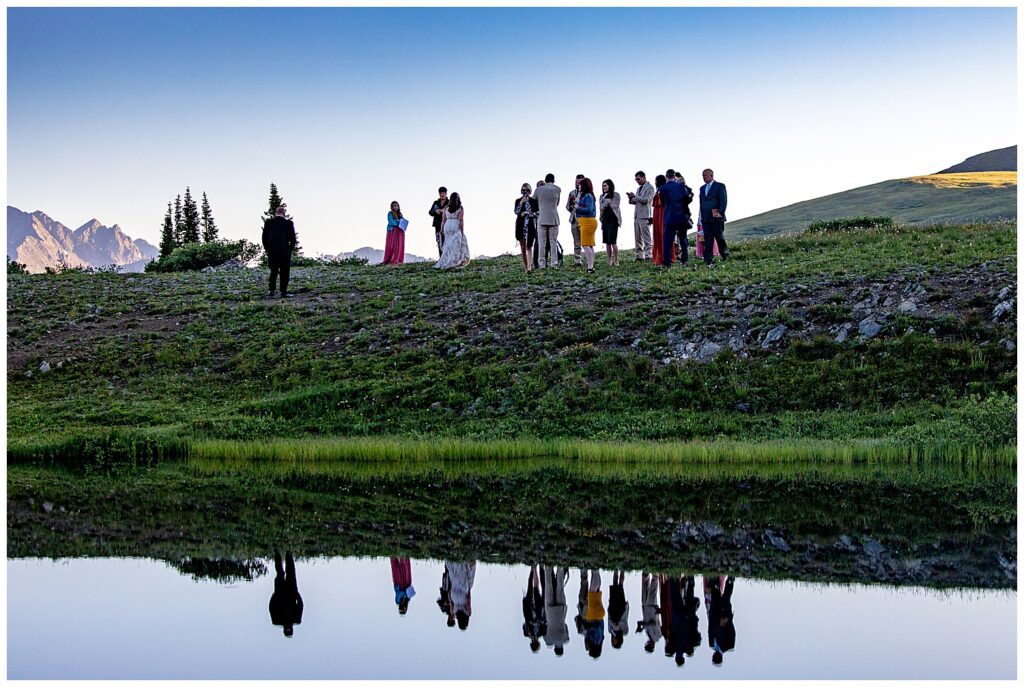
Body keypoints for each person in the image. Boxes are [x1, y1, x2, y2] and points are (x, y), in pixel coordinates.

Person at [658, 169, 694, 268]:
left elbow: (663, 203)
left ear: (666, 177)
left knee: (668, 240)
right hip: (681, 216)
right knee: (683, 238)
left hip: (670, 216)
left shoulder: (663, 188)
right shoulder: (681, 186)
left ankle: (667, 262)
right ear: (674, 177)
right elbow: (687, 199)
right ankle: (684, 260)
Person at [262, 206, 297, 298]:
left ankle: (271, 290)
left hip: (272, 250)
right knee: (284, 271)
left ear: (275, 213)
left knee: (273, 270)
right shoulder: (288, 223)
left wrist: (267, 249)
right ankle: (283, 292)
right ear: (284, 213)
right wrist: (290, 250)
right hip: (284, 251)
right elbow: (293, 239)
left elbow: (264, 238)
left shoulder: (268, 222)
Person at [268, 549, 303, 637]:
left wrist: (274, 595)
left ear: (284, 630)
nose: (288, 628)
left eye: (287, 630)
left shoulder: (276, 621)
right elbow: (300, 605)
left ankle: (277, 552)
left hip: (280, 593)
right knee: (290, 571)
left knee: (280, 573)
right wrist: (296, 593)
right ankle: (288, 552)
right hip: (291, 592)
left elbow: (271, 607)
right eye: (289, 630)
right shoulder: (296, 620)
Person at [703, 575, 736, 665]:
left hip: (714, 613)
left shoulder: (711, 644)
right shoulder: (729, 645)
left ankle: (714, 574)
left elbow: (710, 629)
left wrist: (711, 616)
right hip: (724, 615)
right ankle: (731, 577)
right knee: (726, 595)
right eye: (715, 658)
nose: (714, 656)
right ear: (720, 657)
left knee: (715, 591)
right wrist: (727, 621)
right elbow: (732, 633)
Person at [699, 169, 729, 266]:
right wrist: (702, 216)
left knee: (719, 237)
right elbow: (701, 203)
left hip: (716, 217)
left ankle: (725, 255)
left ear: (711, 175)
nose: (704, 177)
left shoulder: (720, 186)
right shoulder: (702, 188)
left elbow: (723, 200)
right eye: (703, 176)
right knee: (708, 239)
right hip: (706, 218)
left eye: (705, 175)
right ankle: (708, 259)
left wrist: (720, 212)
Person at [434, 192, 470, 269]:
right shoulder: (460, 208)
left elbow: (443, 220)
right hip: (455, 225)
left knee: (448, 244)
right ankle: (454, 261)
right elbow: (461, 220)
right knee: (456, 244)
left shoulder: (446, 208)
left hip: (447, 226)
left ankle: (447, 260)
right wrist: (462, 230)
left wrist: (441, 229)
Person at [532, 173, 561, 269]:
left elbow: (533, 202)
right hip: (553, 218)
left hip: (541, 218)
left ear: (545, 180)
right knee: (553, 242)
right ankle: (554, 263)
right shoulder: (557, 189)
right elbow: (557, 203)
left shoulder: (538, 190)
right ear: (553, 180)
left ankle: (542, 263)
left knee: (542, 243)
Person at [542, 565, 570, 656]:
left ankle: (560, 568)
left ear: (562, 648)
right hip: (550, 614)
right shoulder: (548, 640)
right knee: (548, 587)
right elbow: (544, 631)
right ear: (555, 648)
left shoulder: (565, 639)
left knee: (560, 588)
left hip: (560, 612)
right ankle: (548, 567)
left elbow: (566, 626)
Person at [626, 171, 655, 261]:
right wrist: (630, 198)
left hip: (645, 215)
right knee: (637, 237)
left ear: (643, 177)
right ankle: (639, 255)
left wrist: (635, 196)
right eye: (636, 179)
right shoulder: (638, 189)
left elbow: (646, 200)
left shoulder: (650, 187)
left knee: (646, 236)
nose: (637, 181)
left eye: (638, 179)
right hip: (637, 215)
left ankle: (648, 255)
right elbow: (636, 201)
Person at [575, 177, 598, 273]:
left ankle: (590, 267)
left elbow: (588, 209)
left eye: (580, 185)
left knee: (585, 245)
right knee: (590, 245)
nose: (579, 186)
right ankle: (591, 266)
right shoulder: (587, 195)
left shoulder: (588, 196)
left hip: (587, 222)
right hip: (588, 221)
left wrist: (578, 208)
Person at [522, 565, 547, 652]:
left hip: (534, 611)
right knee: (533, 588)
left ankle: (534, 569)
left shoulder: (539, 633)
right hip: (532, 610)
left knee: (534, 589)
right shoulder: (528, 633)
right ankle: (533, 569)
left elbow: (545, 622)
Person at [514, 183, 539, 273]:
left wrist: (527, 213)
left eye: (527, 190)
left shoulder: (533, 201)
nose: (525, 192)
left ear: (530, 191)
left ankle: (529, 267)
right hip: (521, 225)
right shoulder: (518, 200)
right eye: (523, 190)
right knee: (523, 246)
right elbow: (516, 211)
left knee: (529, 246)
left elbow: (537, 213)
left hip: (530, 225)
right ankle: (525, 266)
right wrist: (521, 202)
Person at [636, 572, 662, 653]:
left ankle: (645, 572)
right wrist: (643, 626)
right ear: (652, 646)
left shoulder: (648, 634)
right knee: (653, 588)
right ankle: (655, 573)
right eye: (648, 645)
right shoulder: (657, 636)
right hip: (652, 609)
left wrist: (640, 625)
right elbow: (654, 624)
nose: (647, 643)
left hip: (645, 608)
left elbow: (645, 622)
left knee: (644, 586)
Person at [582, 569, 605, 659]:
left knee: (596, 593)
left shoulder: (600, 641)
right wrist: (588, 627)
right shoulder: (596, 641)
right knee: (592, 593)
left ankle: (596, 572)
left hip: (599, 615)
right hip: (593, 616)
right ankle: (595, 571)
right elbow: (597, 628)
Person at [447, 560, 476, 630]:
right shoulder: (454, 613)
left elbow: (468, 602)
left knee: (464, 574)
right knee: (454, 575)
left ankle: (464, 561)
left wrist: (469, 590)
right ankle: (455, 561)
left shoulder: (468, 613)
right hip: (454, 596)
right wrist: (450, 591)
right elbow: (450, 602)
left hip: (463, 595)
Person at [599, 179, 621, 266]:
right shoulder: (602, 196)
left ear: (610, 186)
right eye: (603, 186)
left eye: (605, 185)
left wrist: (607, 202)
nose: (603, 187)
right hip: (605, 219)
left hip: (613, 220)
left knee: (613, 241)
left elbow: (615, 206)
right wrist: (606, 202)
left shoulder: (616, 195)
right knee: (607, 242)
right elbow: (601, 207)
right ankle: (609, 260)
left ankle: (616, 259)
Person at [565, 174, 585, 266]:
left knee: (586, 241)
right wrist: (571, 207)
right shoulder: (572, 193)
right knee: (576, 241)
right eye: (576, 182)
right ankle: (577, 260)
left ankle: (589, 258)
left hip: (583, 219)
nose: (577, 184)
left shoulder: (586, 193)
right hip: (574, 219)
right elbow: (567, 206)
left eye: (579, 182)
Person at [607, 570, 629, 650]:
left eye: (612, 642)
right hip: (620, 610)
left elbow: (609, 620)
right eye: (614, 642)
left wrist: (608, 610)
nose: (613, 640)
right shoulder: (625, 632)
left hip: (612, 609)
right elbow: (625, 619)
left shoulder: (610, 631)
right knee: (620, 586)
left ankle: (615, 570)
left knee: (614, 585)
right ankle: (623, 570)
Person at [382, 201, 406, 265]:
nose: (396, 207)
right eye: (394, 205)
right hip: (392, 230)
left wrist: (401, 222)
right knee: (392, 245)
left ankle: (398, 259)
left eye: (397, 205)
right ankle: (390, 259)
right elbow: (391, 221)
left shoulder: (400, 214)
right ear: (392, 207)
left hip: (399, 231)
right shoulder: (390, 213)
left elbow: (403, 221)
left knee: (399, 245)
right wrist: (398, 223)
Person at [651, 174, 667, 266]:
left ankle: (664, 256)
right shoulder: (658, 190)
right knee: (657, 234)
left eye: (656, 181)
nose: (655, 183)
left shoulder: (663, 190)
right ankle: (658, 256)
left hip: (662, 213)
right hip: (657, 214)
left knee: (662, 234)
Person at [428, 187, 449, 257]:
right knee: (439, 241)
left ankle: (447, 257)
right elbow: (430, 212)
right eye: (441, 193)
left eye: (443, 193)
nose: (442, 195)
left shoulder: (449, 202)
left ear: (446, 194)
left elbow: (452, 211)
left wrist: (444, 211)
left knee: (447, 240)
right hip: (437, 225)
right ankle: (441, 257)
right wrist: (436, 212)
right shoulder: (436, 202)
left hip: (446, 224)